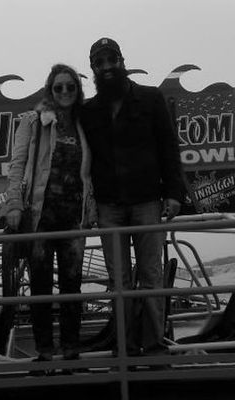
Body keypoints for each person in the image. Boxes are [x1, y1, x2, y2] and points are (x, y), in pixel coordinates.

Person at [80, 37, 185, 356]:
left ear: (122, 61)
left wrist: (174, 194)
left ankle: (154, 348)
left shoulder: (151, 98)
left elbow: (169, 147)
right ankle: (124, 350)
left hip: (148, 201)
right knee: (119, 282)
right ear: (93, 68)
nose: (107, 67)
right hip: (108, 206)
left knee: (151, 276)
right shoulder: (88, 111)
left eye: (111, 59)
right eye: (99, 62)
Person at [5, 64, 96, 363]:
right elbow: (17, 164)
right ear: (50, 90)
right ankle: (44, 353)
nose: (65, 91)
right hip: (40, 216)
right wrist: (14, 204)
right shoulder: (33, 121)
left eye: (71, 86)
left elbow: (92, 171)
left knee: (72, 286)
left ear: (78, 89)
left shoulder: (85, 122)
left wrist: (93, 208)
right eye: (59, 87)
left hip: (74, 218)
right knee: (40, 288)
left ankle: (71, 353)